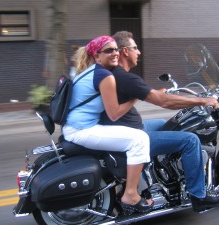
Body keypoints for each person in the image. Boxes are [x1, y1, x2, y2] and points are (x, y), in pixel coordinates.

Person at [100, 31, 219, 213]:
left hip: (127, 129)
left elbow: (150, 94)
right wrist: (203, 100)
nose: (139, 52)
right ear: (125, 52)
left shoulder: (116, 74)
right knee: (190, 140)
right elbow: (165, 102)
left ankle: (166, 171)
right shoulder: (125, 77)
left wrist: (160, 94)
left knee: (165, 123)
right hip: (131, 136)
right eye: (135, 48)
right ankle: (199, 196)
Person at [62, 35, 153, 214]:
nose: (115, 53)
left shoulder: (88, 71)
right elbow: (114, 114)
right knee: (140, 139)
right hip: (82, 130)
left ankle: (127, 185)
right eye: (108, 50)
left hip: (74, 128)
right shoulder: (105, 76)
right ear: (97, 56)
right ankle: (131, 194)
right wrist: (136, 96)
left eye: (116, 49)